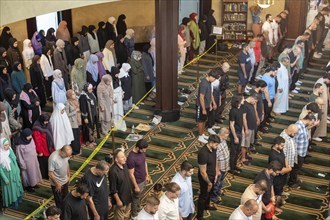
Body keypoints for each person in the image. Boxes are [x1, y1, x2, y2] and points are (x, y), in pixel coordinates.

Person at [289, 113, 316, 188]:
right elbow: (293, 141)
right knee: (295, 168)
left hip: (302, 152)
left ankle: (294, 179)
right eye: (312, 122)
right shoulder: (298, 126)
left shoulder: (303, 125)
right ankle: (292, 182)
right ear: (308, 120)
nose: (312, 124)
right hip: (298, 153)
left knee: (297, 168)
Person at [197, 135, 220, 220]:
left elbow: (215, 160)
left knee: (209, 194)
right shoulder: (203, 153)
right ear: (211, 142)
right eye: (216, 144)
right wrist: (209, 183)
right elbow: (203, 172)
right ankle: (200, 215)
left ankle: (207, 206)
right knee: (203, 196)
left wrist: (217, 173)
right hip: (205, 179)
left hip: (212, 176)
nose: (217, 146)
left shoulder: (214, 148)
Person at [127, 139, 150, 217]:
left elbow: (145, 162)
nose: (145, 150)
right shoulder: (131, 158)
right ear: (138, 148)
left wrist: (147, 175)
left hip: (143, 178)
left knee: (140, 196)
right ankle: (134, 214)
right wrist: (136, 186)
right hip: (137, 181)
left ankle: (138, 208)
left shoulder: (142, 152)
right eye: (144, 149)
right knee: (135, 199)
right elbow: (131, 174)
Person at [109, 149, 133, 220]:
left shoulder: (124, 165)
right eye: (122, 157)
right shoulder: (113, 172)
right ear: (116, 159)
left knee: (127, 216)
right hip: (120, 200)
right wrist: (118, 201)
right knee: (120, 218)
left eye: (124, 156)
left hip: (128, 197)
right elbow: (113, 189)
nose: (125, 158)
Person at [15, 128, 42, 192]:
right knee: (28, 175)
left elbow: (33, 147)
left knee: (34, 172)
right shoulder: (20, 145)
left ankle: (34, 184)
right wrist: (22, 165)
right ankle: (28, 186)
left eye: (31, 135)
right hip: (27, 163)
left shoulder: (31, 140)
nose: (30, 137)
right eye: (28, 136)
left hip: (34, 160)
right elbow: (19, 156)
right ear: (24, 136)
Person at [0, 137, 24, 208]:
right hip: (7, 175)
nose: (7, 146)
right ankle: (11, 204)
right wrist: (5, 179)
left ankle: (18, 200)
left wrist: (17, 170)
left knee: (16, 187)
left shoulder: (9, 150)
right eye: (5, 145)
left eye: (8, 144)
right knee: (10, 190)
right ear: (1, 145)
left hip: (14, 173)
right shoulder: (0, 154)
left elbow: (14, 160)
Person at [196, 69, 218, 143]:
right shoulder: (204, 84)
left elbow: (210, 94)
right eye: (214, 78)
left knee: (204, 120)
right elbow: (201, 97)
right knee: (200, 121)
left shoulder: (209, 82)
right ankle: (200, 136)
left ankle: (202, 134)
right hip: (201, 106)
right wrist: (203, 109)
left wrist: (211, 104)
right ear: (210, 76)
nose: (214, 80)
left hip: (207, 105)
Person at [48, 145, 72, 209]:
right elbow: (50, 173)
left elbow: (67, 164)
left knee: (66, 198)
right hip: (57, 183)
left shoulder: (66, 155)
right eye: (67, 155)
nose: (68, 157)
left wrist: (68, 175)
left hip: (65, 180)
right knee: (59, 201)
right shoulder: (53, 158)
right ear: (62, 152)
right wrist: (57, 184)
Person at [210, 127, 230, 204]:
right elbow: (216, 159)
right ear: (223, 134)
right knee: (217, 182)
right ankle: (214, 197)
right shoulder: (217, 143)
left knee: (221, 181)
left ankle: (218, 192)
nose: (227, 137)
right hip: (219, 168)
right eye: (227, 136)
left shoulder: (223, 140)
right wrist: (217, 170)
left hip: (224, 166)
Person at [32, 113, 54, 179]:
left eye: (47, 121)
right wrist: (39, 151)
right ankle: (44, 175)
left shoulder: (47, 124)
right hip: (43, 149)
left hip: (48, 147)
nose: (46, 122)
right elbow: (37, 141)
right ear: (41, 120)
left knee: (49, 161)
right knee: (44, 163)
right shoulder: (36, 128)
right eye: (45, 121)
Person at [228, 95, 245, 175]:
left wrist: (242, 131)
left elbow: (240, 121)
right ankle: (231, 168)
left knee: (237, 150)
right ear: (238, 100)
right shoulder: (233, 111)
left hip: (239, 132)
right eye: (243, 99)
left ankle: (234, 165)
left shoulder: (240, 109)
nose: (244, 100)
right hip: (235, 133)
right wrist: (235, 137)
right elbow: (231, 125)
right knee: (233, 152)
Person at [240, 93, 258, 164]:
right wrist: (246, 129)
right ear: (252, 98)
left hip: (252, 126)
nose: (255, 103)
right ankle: (243, 158)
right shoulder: (244, 105)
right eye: (255, 101)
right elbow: (244, 118)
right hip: (247, 128)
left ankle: (245, 155)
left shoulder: (250, 104)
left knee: (248, 143)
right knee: (244, 144)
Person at [260, 65, 278, 132]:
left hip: (271, 97)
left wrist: (274, 95)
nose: (276, 74)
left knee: (268, 112)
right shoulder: (265, 79)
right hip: (266, 99)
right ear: (271, 71)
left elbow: (272, 87)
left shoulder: (272, 76)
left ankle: (265, 123)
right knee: (264, 113)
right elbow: (266, 91)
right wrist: (269, 101)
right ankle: (261, 126)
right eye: (275, 72)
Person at [313, 73, 330, 139]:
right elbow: (317, 95)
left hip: (323, 104)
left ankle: (319, 134)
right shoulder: (320, 82)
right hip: (320, 105)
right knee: (319, 120)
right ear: (328, 79)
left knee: (322, 119)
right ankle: (315, 135)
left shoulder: (324, 82)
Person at [65, 90, 81, 155]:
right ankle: (75, 151)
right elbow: (67, 114)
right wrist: (75, 111)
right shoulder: (67, 103)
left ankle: (78, 149)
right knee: (74, 138)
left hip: (78, 121)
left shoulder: (76, 101)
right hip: (72, 123)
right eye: (73, 94)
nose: (74, 95)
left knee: (78, 136)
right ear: (69, 96)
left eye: (74, 94)